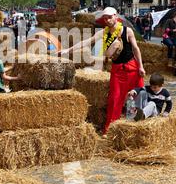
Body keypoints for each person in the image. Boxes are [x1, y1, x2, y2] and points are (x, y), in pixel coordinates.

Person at [60, 7, 145, 135]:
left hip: (132, 68)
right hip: (117, 70)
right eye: (105, 18)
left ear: (116, 16)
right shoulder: (103, 33)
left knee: (137, 97)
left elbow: (136, 49)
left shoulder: (127, 31)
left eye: (110, 17)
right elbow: (86, 42)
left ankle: (138, 128)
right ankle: (110, 130)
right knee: (114, 99)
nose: (108, 20)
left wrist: (141, 66)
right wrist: (68, 50)